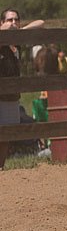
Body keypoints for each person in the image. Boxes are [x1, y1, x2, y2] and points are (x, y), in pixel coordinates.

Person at [0, 9, 22, 169]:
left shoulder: (17, 43)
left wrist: (18, 31)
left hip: (11, 96)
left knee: (6, 136)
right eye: (9, 20)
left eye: (16, 19)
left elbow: (40, 23)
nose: (13, 22)